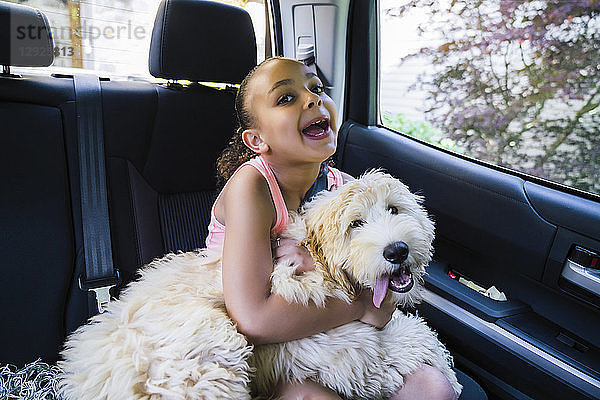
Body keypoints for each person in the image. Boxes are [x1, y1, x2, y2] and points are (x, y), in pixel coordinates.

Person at [205, 56, 457, 400]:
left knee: (433, 388)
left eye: (316, 88)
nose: (312, 99)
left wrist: (375, 300)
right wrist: (361, 306)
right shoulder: (252, 187)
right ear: (257, 140)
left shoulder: (345, 187)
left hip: (335, 332)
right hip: (269, 348)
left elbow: (382, 291)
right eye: (286, 98)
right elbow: (252, 319)